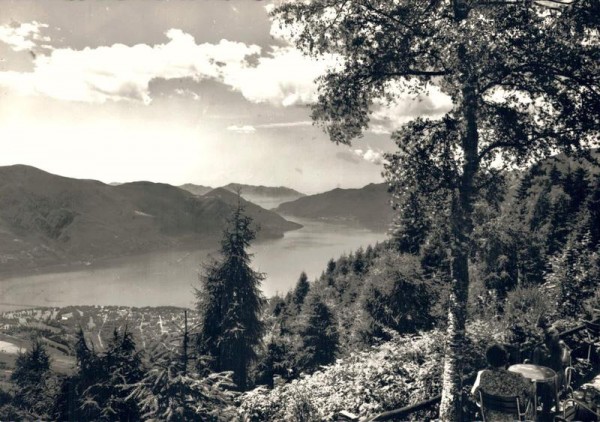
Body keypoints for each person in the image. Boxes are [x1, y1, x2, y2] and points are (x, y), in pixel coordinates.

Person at [472, 344, 535, 421]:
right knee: (530, 402)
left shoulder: (484, 375)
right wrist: (531, 382)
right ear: (506, 358)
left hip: (491, 419)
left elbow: (476, 396)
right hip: (514, 419)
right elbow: (532, 392)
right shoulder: (517, 377)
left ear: (489, 360)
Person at [532, 326, 571, 413]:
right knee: (544, 385)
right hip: (542, 377)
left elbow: (565, 363)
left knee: (548, 386)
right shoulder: (539, 349)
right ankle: (539, 410)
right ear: (550, 337)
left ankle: (545, 412)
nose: (558, 338)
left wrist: (565, 349)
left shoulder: (558, 347)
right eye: (556, 336)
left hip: (557, 376)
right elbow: (535, 367)